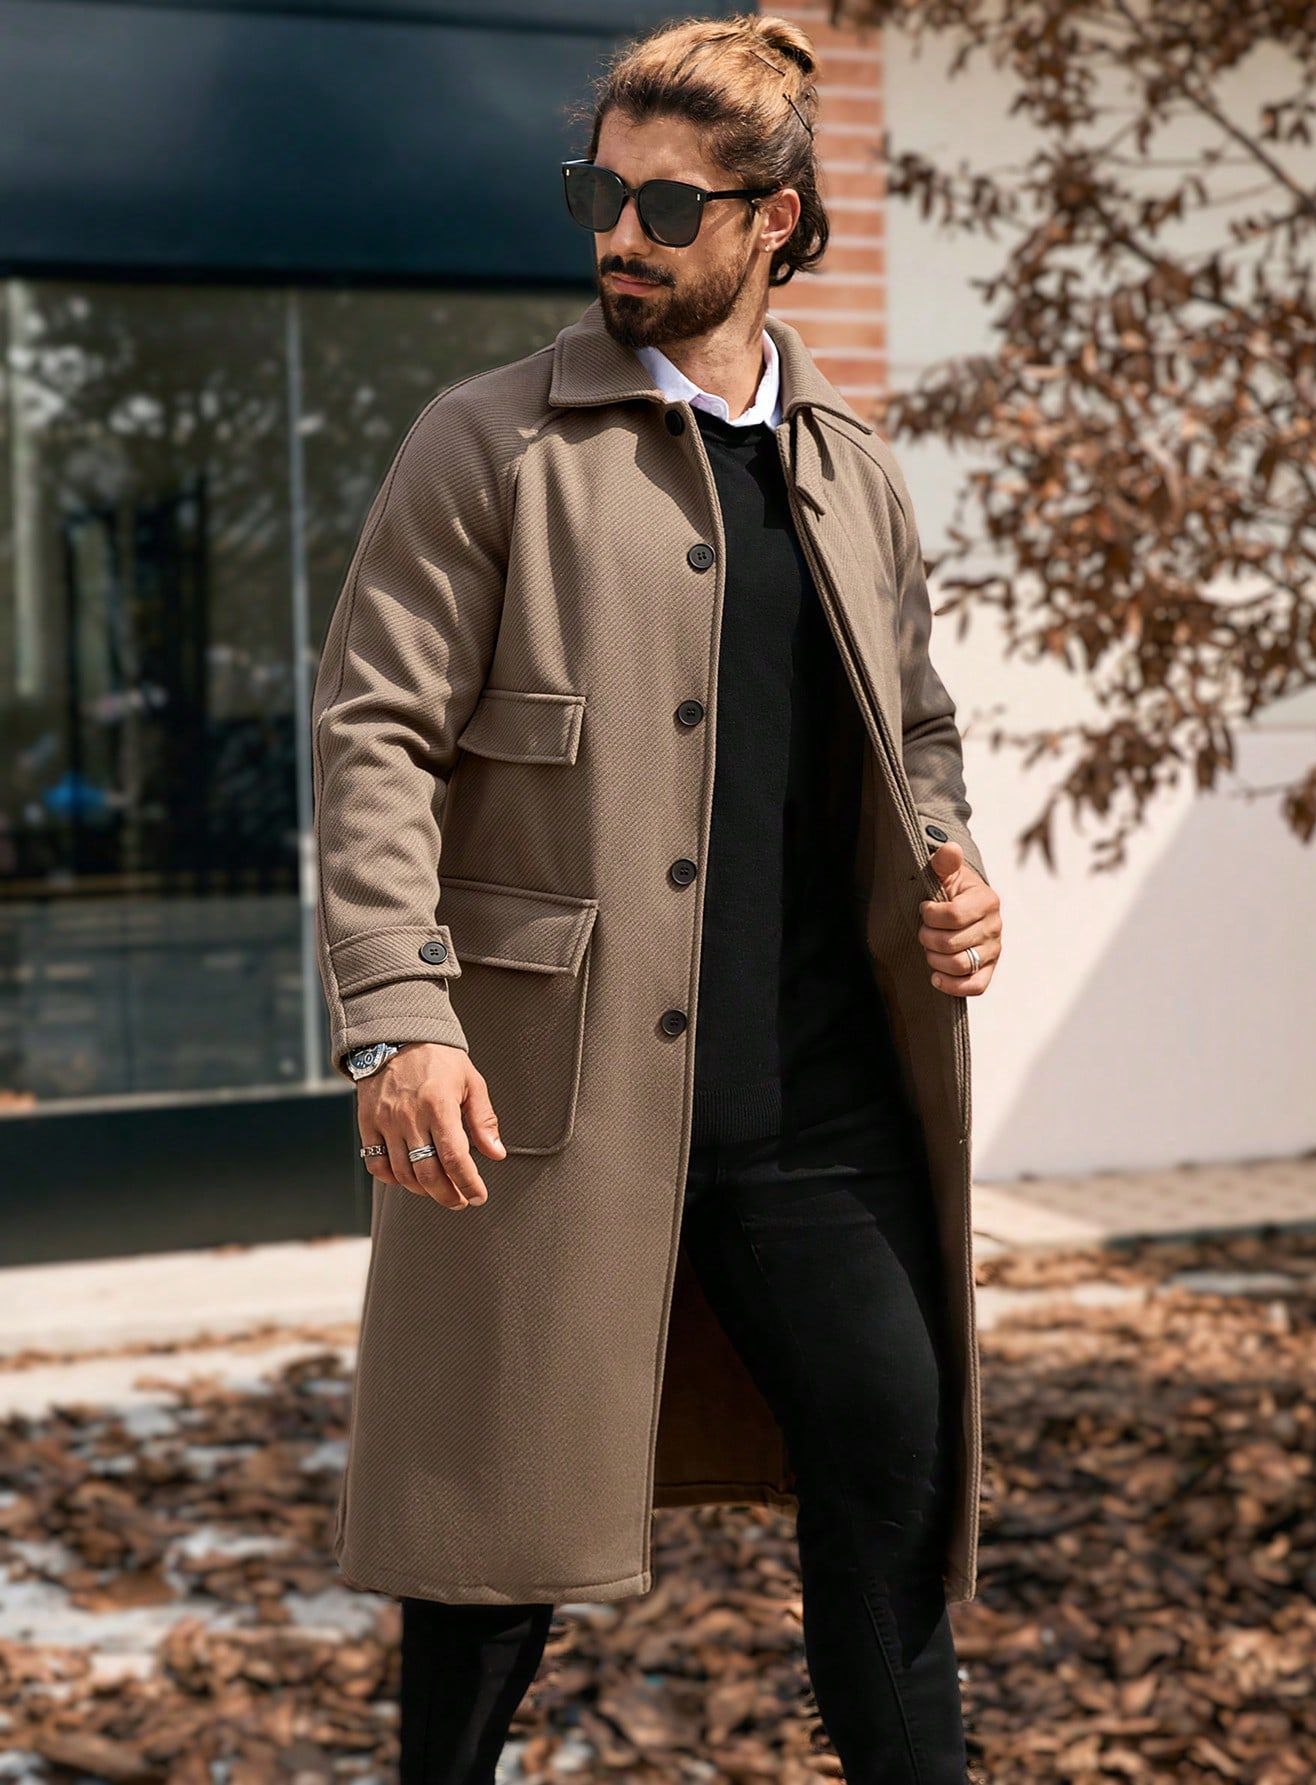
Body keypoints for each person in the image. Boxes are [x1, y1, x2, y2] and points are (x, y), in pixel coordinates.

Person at [310, 13, 1003, 1783]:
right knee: (488, 1561)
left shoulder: (852, 466)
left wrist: (952, 857)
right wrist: (399, 1014)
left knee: (892, 1491)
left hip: (820, 1103)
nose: (620, 233)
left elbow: (915, 723)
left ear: (776, 221)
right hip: (550, 1098)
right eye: (598, 193)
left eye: (667, 205)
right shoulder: (488, 445)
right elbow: (374, 731)